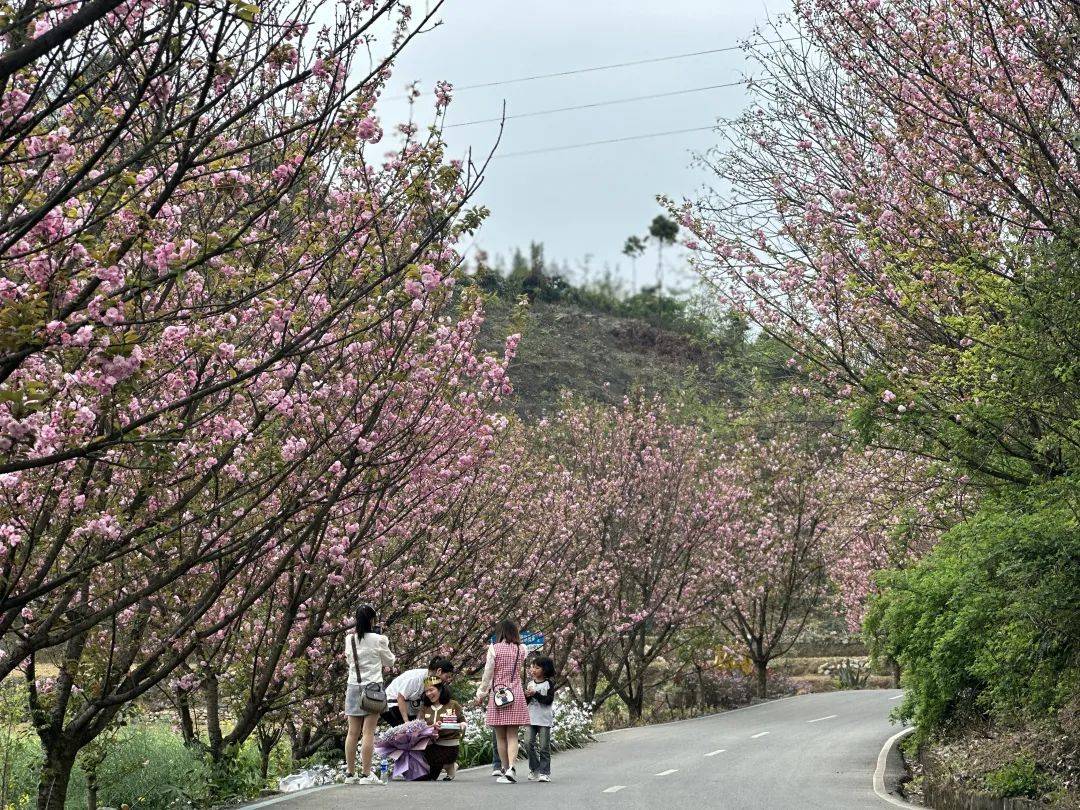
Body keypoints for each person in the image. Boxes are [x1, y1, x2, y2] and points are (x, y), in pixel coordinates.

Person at [344, 604, 395, 785]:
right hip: (372, 689)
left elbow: (349, 660)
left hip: (353, 686)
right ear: (372, 620)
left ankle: (350, 775)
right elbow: (390, 661)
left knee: (352, 732)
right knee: (368, 732)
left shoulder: (349, 639)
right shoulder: (379, 639)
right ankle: (366, 774)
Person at [474, 619, 529, 784]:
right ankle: (512, 767)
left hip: (499, 695)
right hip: (516, 694)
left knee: (500, 737)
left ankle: (505, 769)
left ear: (500, 632)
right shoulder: (522, 649)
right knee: (513, 735)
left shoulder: (494, 649)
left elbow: (487, 674)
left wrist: (480, 694)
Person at [382, 656, 455, 726]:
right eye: (447, 676)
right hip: (391, 704)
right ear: (439, 671)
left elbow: (424, 703)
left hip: (409, 706)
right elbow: (400, 697)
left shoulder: (430, 680)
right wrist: (406, 722)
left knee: (419, 728)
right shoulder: (416, 678)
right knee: (408, 733)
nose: (447, 680)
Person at [418, 679, 467, 781]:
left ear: (440, 690)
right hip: (430, 745)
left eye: (431, 690)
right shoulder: (425, 707)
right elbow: (419, 725)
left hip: (449, 744)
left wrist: (462, 725)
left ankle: (449, 765)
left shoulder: (453, 704)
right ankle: (448, 766)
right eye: (426, 691)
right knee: (430, 777)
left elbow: (462, 720)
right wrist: (432, 727)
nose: (428, 694)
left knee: (433, 772)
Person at [525, 656, 556, 782]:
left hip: (544, 719)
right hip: (530, 718)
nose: (533, 670)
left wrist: (535, 694)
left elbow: (548, 701)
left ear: (545, 670)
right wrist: (526, 696)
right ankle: (535, 768)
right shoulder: (530, 684)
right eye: (532, 667)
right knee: (527, 743)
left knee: (544, 747)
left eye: (537, 667)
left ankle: (544, 772)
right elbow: (526, 702)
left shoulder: (548, 684)